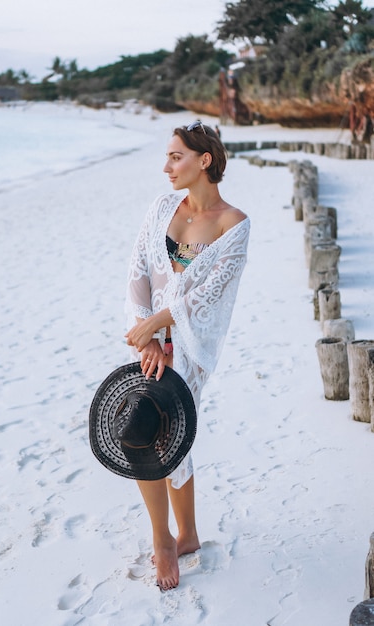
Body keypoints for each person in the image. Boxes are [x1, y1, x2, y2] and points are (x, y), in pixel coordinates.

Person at [125, 120, 250, 591]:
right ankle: (173, 537)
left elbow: (208, 296)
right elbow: (137, 272)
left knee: (163, 436)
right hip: (151, 347)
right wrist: (147, 336)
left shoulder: (233, 225)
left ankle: (177, 538)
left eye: (175, 156)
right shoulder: (161, 208)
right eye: (167, 156)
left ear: (204, 160)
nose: (166, 167)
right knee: (147, 430)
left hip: (191, 350)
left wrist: (157, 326)